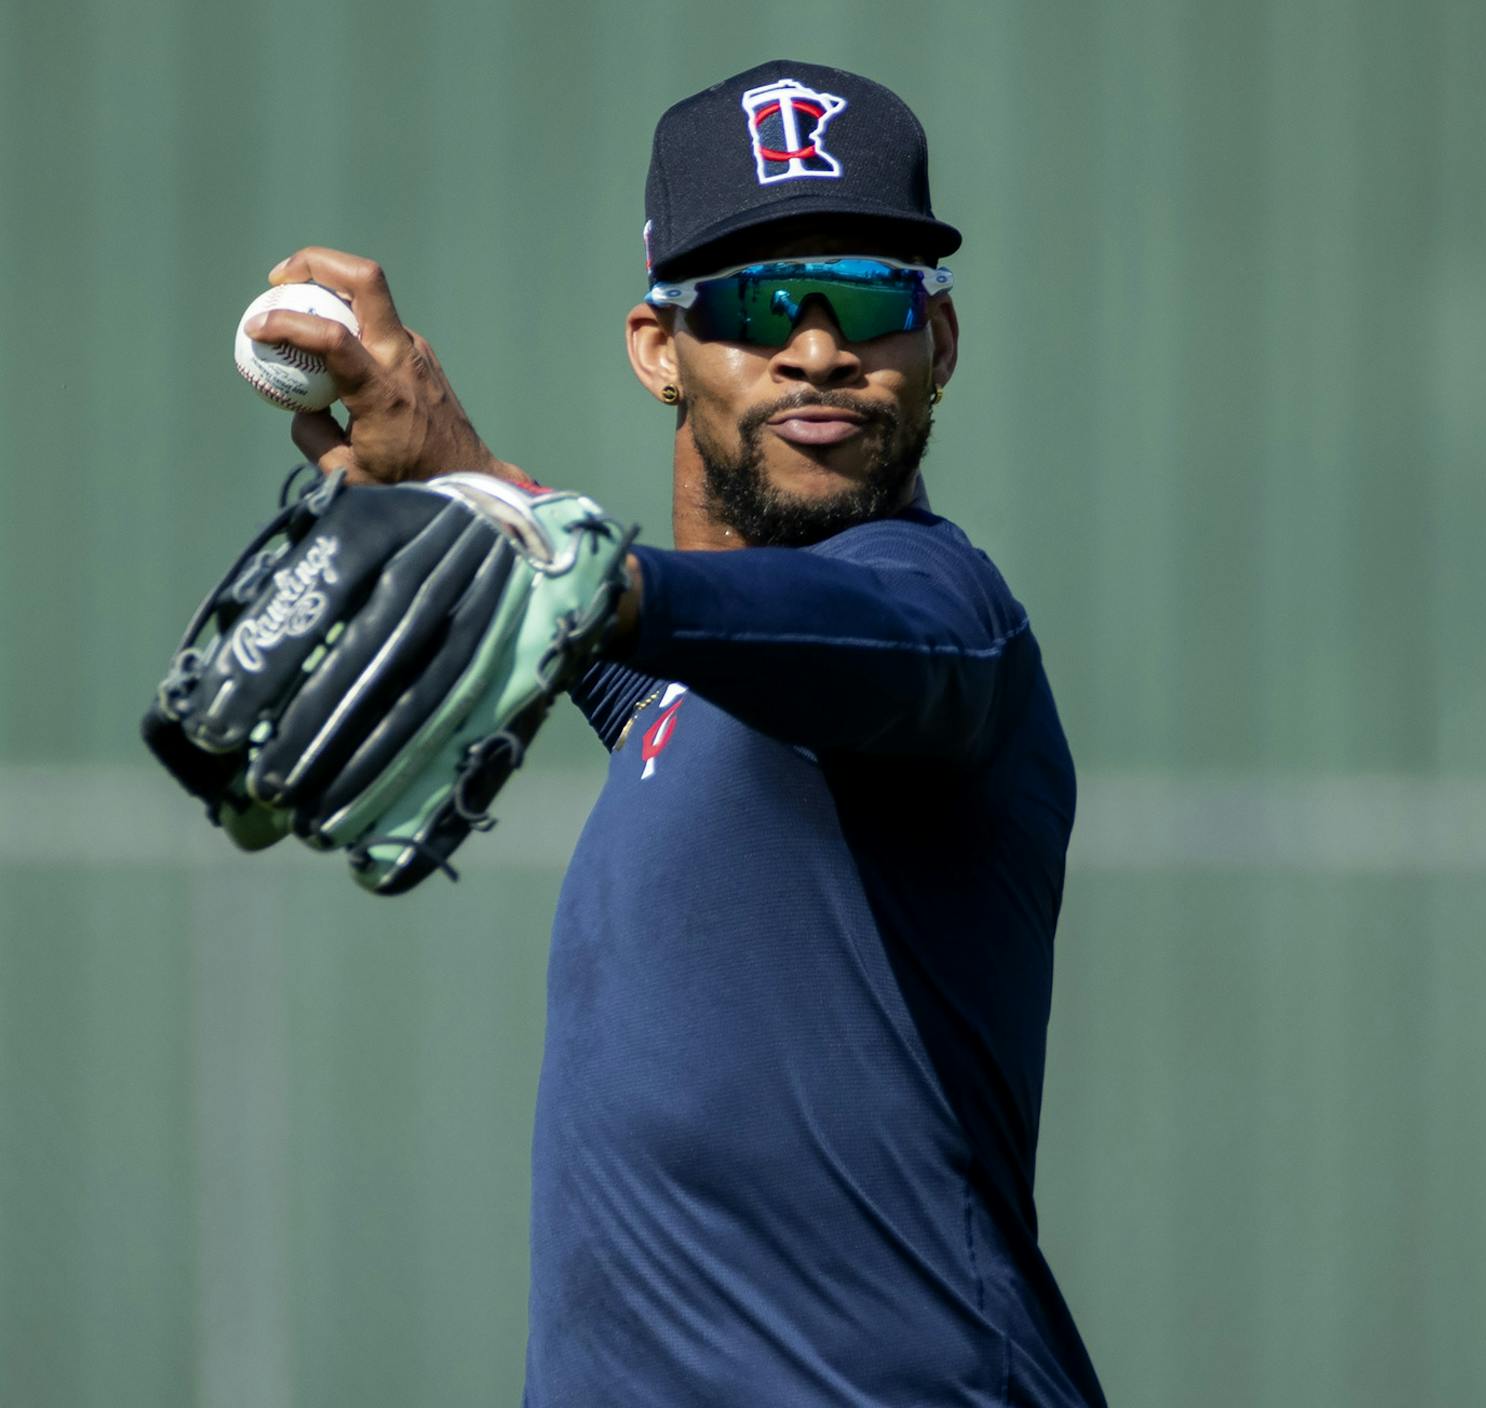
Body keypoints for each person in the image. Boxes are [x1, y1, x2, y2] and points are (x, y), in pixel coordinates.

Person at [244, 60, 1106, 1406]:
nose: (817, 347)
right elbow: (642, 666)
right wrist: (449, 461)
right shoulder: (683, 694)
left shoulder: (941, 615)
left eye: (869, 296)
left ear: (937, 343)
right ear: (661, 348)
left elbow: (838, 640)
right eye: (762, 301)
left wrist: (588, 575)